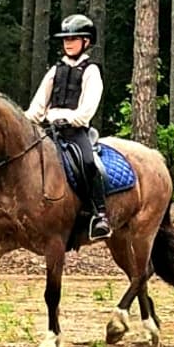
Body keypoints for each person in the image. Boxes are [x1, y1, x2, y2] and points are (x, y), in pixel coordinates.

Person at [25, 14, 112, 241]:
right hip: (50, 131)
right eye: (65, 39)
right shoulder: (55, 70)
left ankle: (99, 214)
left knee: (88, 163)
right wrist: (25, 119)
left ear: (86, 42)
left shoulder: (91, 70)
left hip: (75, 131)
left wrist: (72, 119)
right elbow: (38, 105)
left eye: (74, 38)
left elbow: (88, 108)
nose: (68, 42)